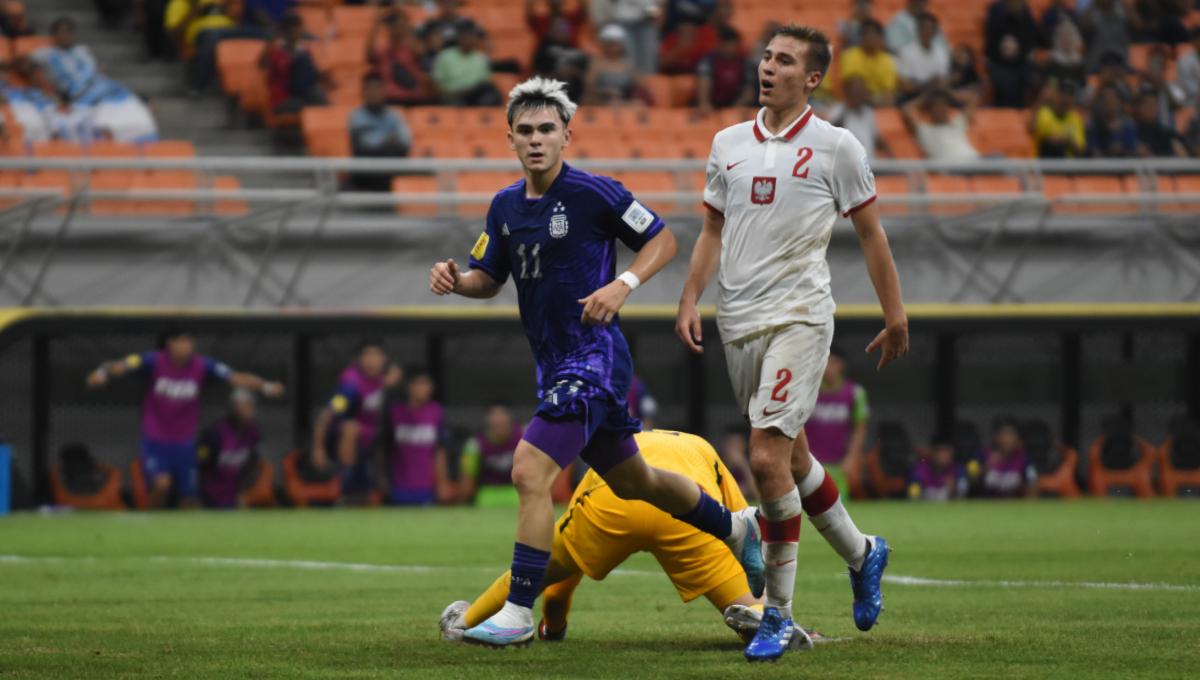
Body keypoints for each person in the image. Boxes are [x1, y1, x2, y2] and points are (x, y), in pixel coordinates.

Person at [429, 77, 762, 648]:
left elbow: (662, 240)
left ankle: (516, 609)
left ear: (566, 136)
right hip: (554, 364)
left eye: (547, 130)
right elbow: (489, 279)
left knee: (529, 471)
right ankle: (736, 525)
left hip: (593, 358)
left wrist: (623, 283)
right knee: (638, 481)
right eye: (526, 131)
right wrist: (457, 281)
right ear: (510, 138)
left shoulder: (595, 194)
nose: (536, 140)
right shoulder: (505, 207)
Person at [675, 24, 906, 662]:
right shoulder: (726, 143)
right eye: (766, 56)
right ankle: (864, 553)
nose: (768, 67)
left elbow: (872, 236)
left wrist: (896, 313)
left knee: (767, 458)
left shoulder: (837, 147)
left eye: (784, 60)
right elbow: (711, 232)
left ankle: (777, 614)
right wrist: (691, 297)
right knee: (795, 459)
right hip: (738, 320)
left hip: (801, 316)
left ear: (812, 79)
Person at [439, 429, 820, 650]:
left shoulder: (612, 456)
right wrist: (771, 600)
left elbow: (560, 587)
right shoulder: (702, 447)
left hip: (612, 503)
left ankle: (464, 620)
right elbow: (745, 542)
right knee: (750, 598)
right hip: (690, 506)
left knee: (536, 570)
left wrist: (553, 627)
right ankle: (764, 618)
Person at [85, 328, 284, 508]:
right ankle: (149, 524)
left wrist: (265, 386)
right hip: (156, 439)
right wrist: (102, 372)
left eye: (189, 341)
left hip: (184, 443)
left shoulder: (202, 365)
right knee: (162, 484)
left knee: (189, 497)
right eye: (181, 341)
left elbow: (235, 377)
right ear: (170, 344)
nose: (186, 346)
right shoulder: (153, 360)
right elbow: (122, 365)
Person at [311, 340, 402, 504]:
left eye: (376, 355)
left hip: (370, 440)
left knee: (365, 494)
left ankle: (372, 485)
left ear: (384, 359)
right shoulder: (351, 385)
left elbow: (393, 378)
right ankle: (344, 477)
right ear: (359, 359)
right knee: (351, 427)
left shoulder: (385, 378)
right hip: (340, 438)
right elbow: (328, 414)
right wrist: (318, 448)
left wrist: (389, 381)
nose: (372, 360)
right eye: (367, 355)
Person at [378, 368, 452, 505]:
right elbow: (383, 447)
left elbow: (440, 451)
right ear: (409, 387)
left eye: (427, 384)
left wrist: (442, 482)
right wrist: (382, 477)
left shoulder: (436, 412)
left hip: (427, 487)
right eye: (419, 384)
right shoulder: (394, 412)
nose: (423, 388)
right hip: (399, 486)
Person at [803, 347, 870, 491]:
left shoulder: (855, 393)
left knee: (838, 504)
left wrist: (852, 457)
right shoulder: (808, 390)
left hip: (840, 462)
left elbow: (860, 427)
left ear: (841, 365)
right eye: (825, 362)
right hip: (810, 462)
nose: (828, 367)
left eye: (833, 363)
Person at [196, 388, 263, 509]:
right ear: (232, 408)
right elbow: (200, 462)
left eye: (248, 405)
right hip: (210, 495)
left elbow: (252, 463)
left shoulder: (254, 432)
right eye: (240, 405)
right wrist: (196, 494)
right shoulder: (214, 433)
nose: (245, 410)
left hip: (233, 495)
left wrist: (243, 490)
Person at [348, 73, 412, 192]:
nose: (374, 93)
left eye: (377, 88)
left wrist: (382, 143)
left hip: (393, 166)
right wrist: (387, 141)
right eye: (370, 88)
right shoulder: (356, 116)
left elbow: (405, 141)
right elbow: (365, 146)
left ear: (384, 91)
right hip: (367, 171)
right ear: (363, 92)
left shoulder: (394, 115)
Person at [261, 11, 327, 115]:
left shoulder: (303, 50)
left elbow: (310, 74)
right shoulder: (275, 50)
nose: (296, 33)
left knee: (317, 94)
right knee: (318, 103)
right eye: (293, 29)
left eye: (298, 29)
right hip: (283, 100)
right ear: (285, 31)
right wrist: (269, 49)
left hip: (302, 95)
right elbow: (263, 65)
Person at [459, 401, 524, 506]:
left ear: (510, 418)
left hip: (516, 492)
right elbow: (467, 480)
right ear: (487, 419)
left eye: (502, 415)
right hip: (486, 493)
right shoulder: (474, 444)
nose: (498, 420)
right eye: (494, 415)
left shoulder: (525, 438)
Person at [984, 0, 1042, 108]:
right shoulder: (997, 21)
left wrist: (1017, 50)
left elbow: (1033, 42)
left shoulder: (1028, 21)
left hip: (1021, 62)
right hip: (999, 63)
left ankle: (1023, 109)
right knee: (1003, 79)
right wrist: (1003, 51)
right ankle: (1002, 110)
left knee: (1033, 77)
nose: (1015, 5)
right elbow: (989, 49)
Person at [367, 9, 432, 105]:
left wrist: (402, 19)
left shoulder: (412, 46)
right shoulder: (384, 51)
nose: (397, 29)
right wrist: (376, 26)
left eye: (400, 26)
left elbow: (421, 52)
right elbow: (369, 56)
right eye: (394, 26)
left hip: (414, 98)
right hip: (391, 100)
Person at [431, 23, 501, 106]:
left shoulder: (481, 58)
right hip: (454, 96)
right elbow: (437, 84)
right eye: (465, 37)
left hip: (476, 95)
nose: (468, 40)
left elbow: (485, 81)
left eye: (471, 37)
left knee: (489, 93)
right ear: (459, 38)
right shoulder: (444, 57)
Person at [902, 87, 980, 161]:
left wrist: (946, 93)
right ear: (930, 111)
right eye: (937, 106)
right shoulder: (925, 131)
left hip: (977, 161)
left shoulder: (957, 124)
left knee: (992, 157)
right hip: (953, 168)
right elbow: (907, 108)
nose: (941, 109)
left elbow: (973, 98)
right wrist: (927, 96)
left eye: (943, 105)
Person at [824, 75, 890, 160]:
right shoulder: (837, 110)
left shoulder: (868, 112)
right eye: (856, 92)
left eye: (861, 91)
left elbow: (877, 139)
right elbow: (829, 135)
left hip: (869, 164)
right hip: (846, 163)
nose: (860, 95)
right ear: (848, 93)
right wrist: (848, 108)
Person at [696, 25, 754, 113]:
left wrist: (738, 105)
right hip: (714, 104)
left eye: (732, 45)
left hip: (734, 104)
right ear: (720, 44)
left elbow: (749, 90)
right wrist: (704, 103)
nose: (730, 48)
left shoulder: (744, 63)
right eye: (727, 45)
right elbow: (704, 82)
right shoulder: (708, 62)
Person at [840, 19, 897, 106]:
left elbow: (888, 92)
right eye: (869, 35)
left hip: (876, 102)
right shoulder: (850, 55)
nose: (872, 39)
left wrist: (876, 100)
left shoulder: (887, 59)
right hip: (853, 102)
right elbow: (852, 86)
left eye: (876, 36)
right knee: (856, 84)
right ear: (862, 37)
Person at [896, 12, 950, 103]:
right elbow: (906, 86)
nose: (927, 32)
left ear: (935, 32)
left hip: (936, 94)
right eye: (923, 28)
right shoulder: (906, 52)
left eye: (930, 29)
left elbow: (943, 82)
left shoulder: (942, 52)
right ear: (917, 31)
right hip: (913, 95)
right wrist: (928, 84)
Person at [584, 24, 642, 106]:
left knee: (638, 105)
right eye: (610, 44)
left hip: (622, 101)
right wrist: (605, 92)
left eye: (616, 44)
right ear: (604, 45)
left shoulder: (628, 65)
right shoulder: (597, 64)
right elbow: (589, 88)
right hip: (600, 102)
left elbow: (640, 85)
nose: (613, 48)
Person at [980, 415, 1033, 498]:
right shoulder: (984, 454)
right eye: (1004, 433)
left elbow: (1032, 483)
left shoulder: (1023, 459)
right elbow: (970, 484)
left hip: (1015, 508)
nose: (1008, 439)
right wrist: (986, 467)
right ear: (996, 437)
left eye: (1011, 434)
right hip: (986, 507)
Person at [1033, 80, 1086, 158]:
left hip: (1070, 167)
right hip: (1046, 165)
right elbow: (1048, 140)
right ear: (1056, 96)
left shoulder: (1076, 118)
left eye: (1070, 96)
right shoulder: (1044, 113)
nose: (1066, 99)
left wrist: (1067, 140)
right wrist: (1067, 139)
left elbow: (1080, 149)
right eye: (1063, 95)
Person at [1087, 84, 1139, 157]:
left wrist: (1122, 150)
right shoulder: (1094, 127)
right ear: (1100, 103)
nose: (1109, 103)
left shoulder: (1129, 126)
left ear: (1119, 102)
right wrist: (1108, 152)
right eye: (1105, 99)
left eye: (1112, 98)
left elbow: (1133, 152)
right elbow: (1094, 152)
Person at [1132, 90, 1188, 157]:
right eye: (1148, 105)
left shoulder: (1166, 133)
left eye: (1154, 104)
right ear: (1138, 107)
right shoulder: (1131, 130)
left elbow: (1183, 150)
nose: (1152, 108)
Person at [1080, 0, 1130, 74]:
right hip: (1097, 62)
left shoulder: (1121, 12)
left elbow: (1138, 24)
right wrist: (1094, 4)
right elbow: (1084, 25)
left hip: (1120, 60)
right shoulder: (1092, 14)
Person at [907, 436, 964, 501]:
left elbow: (962, 497)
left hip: (949, 509)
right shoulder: (920, 469)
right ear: (933, 453)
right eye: (942, 451)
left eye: (948, 451)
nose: (945, 455)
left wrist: (954, 489)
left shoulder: (957, 470)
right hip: (924, 508)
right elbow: (913, 496)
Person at [717, 427, 757, 502]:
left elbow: (755, 493)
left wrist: (743, 464)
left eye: (737, 445)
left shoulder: (750, 466)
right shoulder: (717, 465)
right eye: (731, 445)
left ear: (744, 447)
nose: (733, 449)